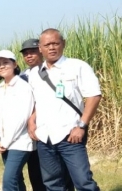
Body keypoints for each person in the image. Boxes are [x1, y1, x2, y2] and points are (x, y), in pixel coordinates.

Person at [28, 28, 101, 190]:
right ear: (40, 48)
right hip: (45, 138)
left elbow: (94, 96)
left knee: (83, 182)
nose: (52, 48)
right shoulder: (35, 74)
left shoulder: (77, 66)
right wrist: (32, 121)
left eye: (55, 43)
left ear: (63, 44)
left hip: (70, 137)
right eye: (47, 45)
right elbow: (38, 103)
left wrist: (82, 126)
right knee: (53, 183)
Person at [20, 38, 75, 191]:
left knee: (62, 171)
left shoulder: (55, 72)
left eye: (32, 52)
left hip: (56, 130)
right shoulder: (23, 77)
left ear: (40, 51)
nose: (29, 56)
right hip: (34, 133)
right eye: (25, 53)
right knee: (36, 171)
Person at [0, 50, 34, 191]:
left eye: (5, 63)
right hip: (3, 142)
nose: (1, 66)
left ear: (15, 64)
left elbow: (22, 118)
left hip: (20, 142)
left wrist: (6, 141)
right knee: (17, 180)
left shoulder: (23, 87)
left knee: (8, 180)